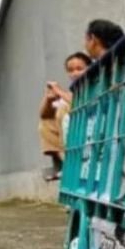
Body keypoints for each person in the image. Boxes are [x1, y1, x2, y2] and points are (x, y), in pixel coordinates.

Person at [38, 52, 92, 180]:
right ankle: (67, 163)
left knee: (62, 110)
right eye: (70, 70)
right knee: (45, 123)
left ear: (89, 68)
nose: (74, 73)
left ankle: (74, 164)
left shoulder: (93, 85)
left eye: (79, 69)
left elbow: (83, 105)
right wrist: (48, 99)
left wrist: (59, 92)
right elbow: (43, 115)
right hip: (76, 131)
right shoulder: (74, 91)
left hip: (91, 129)